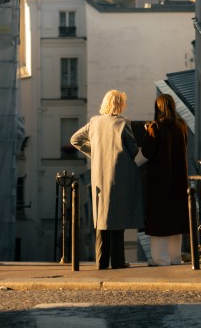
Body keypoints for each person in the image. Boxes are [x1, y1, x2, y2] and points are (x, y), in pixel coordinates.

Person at [70, 89, 143, 270]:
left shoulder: (94, 122)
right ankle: (118, 261)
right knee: (118, 220)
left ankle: (101, 261)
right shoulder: (122, 123)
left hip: (99, 177)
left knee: (101, 220)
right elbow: (134, 150)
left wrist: (94, 152)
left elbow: (75, 139)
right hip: (118, 177)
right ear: (119, 105)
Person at [140, 93, 189, 266]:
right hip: (178, 180)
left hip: (159, 181)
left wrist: (147, 133)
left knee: (159, 220)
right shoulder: (181, 126)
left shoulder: (156, 127)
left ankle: (160, 259)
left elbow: (147, 152)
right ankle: (175, 257)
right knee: (175, 220)